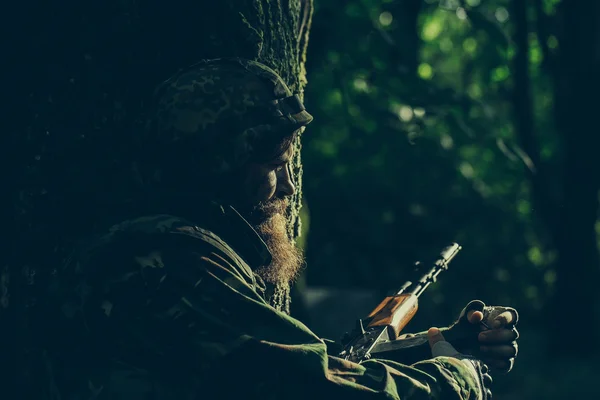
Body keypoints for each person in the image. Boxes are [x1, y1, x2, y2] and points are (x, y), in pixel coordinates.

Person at [43, 58, 519, 399]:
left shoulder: (165, 252)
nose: (288, 187)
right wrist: (456, 377)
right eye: (276, 163)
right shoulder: (173, 265)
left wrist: (436, 346)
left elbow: (281, 368)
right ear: (218, 166)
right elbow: (310, 388)